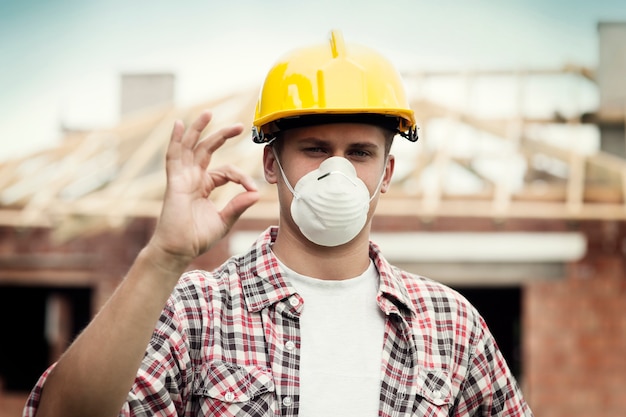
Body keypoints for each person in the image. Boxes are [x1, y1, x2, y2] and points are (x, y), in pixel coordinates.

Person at [24, 30, 533, 417]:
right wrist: (163, 258)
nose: (338, 171)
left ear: (387, 172)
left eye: (360, 152)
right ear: (272, 165)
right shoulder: (195, 312)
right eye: (315, 150)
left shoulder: (450, 325)